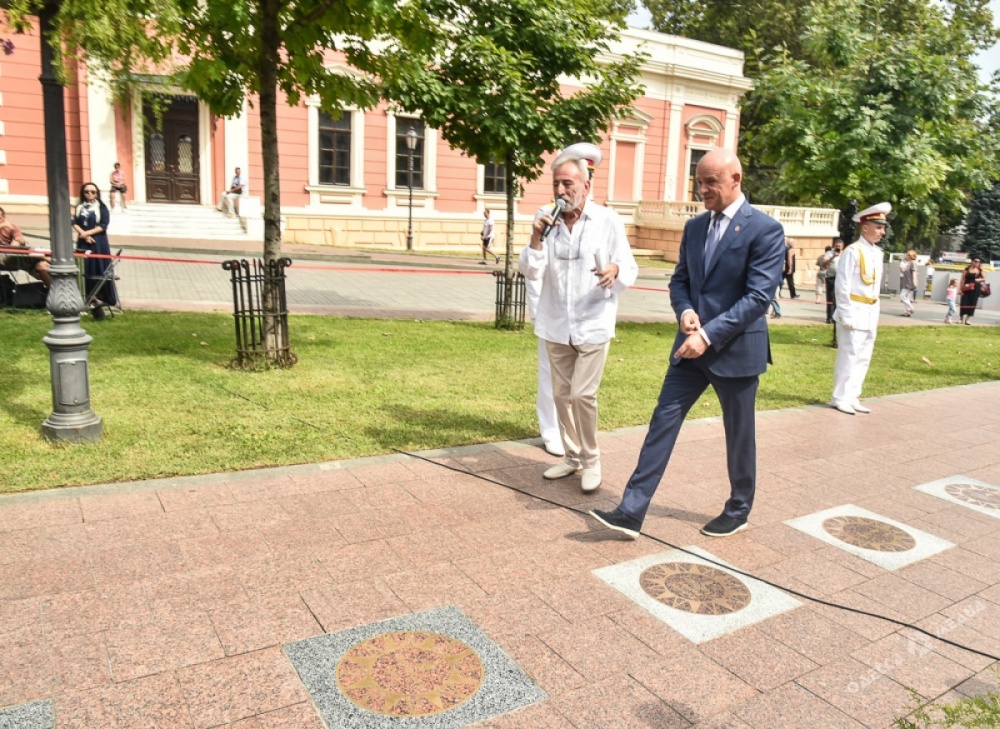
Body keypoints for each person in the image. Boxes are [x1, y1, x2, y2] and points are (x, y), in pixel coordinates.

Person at [589, 148, 784, 539]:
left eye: (711, 181)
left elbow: (759, 298)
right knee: (663, 421)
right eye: (699, 181)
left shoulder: (765, 230)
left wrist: (708, 335)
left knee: (739, 433)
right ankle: (631, 511)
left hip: (735, 351)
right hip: (688, 350)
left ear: (736, 179)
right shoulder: (695, 228)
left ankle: (739, 508)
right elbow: (680, 281)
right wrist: (685, 311)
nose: (702, 190)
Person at [519, 142, 638, 493]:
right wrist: (536, 238)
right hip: (556, 323)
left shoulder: (607, 220)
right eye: (556, 183)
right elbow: (530, 270)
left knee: (582, 396)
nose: (560, 190)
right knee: (560, 395)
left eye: (568, 184)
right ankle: (571, 457)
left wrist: (615, 269)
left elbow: (629, 266)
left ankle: (592, 459)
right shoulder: (545, 217)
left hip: (592, 322)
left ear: (586, 186)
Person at [830, 202, 890, 415]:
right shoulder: (852, 251)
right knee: (849, 354)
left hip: (870, 310)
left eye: (883, 227)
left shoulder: (877, 253)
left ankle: (853, 395)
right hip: (854, 309)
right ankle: (840, 397)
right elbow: (842, 284)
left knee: (864, 355)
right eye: (878, 227)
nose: (882, 232)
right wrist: (845, 313)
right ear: (865, 227)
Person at [73, 182, 117, 318]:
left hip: (98, 242)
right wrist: (83, 234)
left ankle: (102, 297)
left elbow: (103, 225)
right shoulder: (79, 207)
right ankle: (86, 297)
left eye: (93, 192)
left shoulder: (101, 207)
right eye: (87, 192)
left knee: (98, 267)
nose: (90, 194)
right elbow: (74, 222)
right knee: (85, 268)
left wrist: (88, 233)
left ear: (97, 193)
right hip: (84, 242)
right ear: (83, 193)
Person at [0, 206, 51, 287]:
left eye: (0, 218)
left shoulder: (11, 227)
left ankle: (54, 293)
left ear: (4, 217)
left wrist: (18, 242)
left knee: (42, 266)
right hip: (3, 259)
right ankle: (45, 257)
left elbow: (17, 242)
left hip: (15, 257)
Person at [959, 257, 986, 325]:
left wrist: (978, 280)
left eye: (978, 262)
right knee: (963, 302)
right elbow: (962, 279)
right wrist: (960, 289)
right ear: (972, 261)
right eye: (975, 261)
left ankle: (967, 320)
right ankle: (961, 319)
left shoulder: (980, 270)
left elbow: (984, 278)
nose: (977, 263)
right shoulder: (967, 269)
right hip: (966, 287)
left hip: (975, 288)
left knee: (972, 303)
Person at [825, 238, 844, 324]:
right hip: (831, 277)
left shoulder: (845, 254)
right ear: (834, 245)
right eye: (836, 246)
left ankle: (836, 317)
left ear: (842, 246)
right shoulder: (829, 253)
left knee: (839, 298)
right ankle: (829, 317)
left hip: (841, 279)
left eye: (839, 246)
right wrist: (833, 256)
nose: (838, 247)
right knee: (830, 298)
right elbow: (824, 264)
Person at [899, 249, 918, 317]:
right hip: (906, 281)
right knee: (906, 297)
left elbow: (914, 273)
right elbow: (903, 271)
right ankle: (907, 312)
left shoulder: (913, 263)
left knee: (902, 296)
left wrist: (914, 282)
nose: (906, 255)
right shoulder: (908, 263)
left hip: (909, 282)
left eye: (907, 254)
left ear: (910, 256)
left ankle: (911, 308)